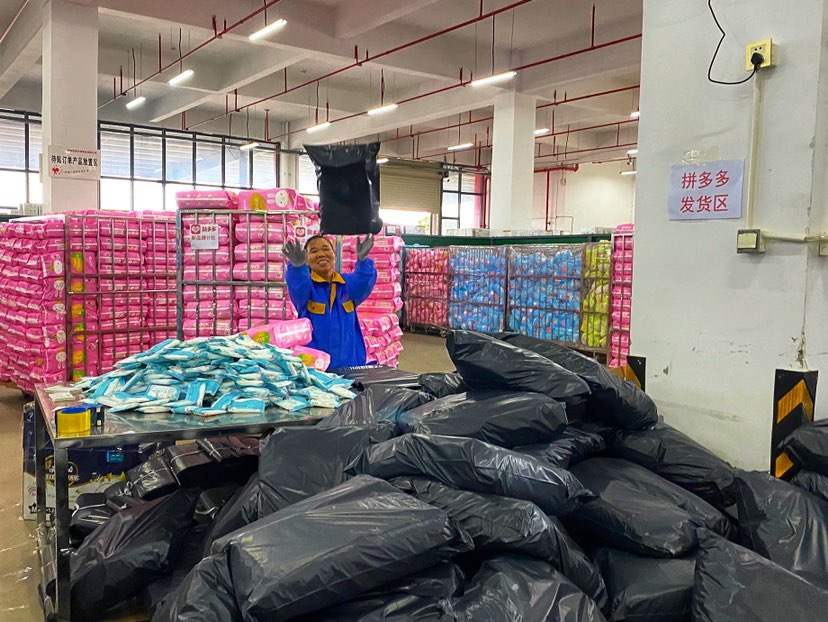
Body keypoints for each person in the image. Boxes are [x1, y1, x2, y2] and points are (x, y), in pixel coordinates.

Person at [284, 234, 377, 368]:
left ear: (335, 255)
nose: (321, 254)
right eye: (314, 251)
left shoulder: (347, 284)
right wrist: (297, 268)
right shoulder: (308, 288)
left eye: (326, 249)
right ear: (307, 260)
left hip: (348, 364)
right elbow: (297, 286)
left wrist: (363, 261)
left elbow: (364, 282)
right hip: (315, 366)